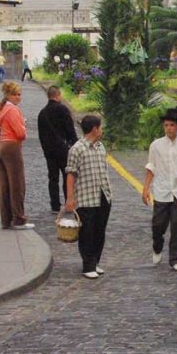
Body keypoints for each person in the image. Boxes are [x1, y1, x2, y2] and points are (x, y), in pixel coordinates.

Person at [143, 109, 177, 272]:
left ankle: (175, 259)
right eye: (166, 125)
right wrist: (145, 188)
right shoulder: (156, 146)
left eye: (172, 125)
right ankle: (157, 246)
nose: (169, 128)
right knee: (158, 225)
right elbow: (151, 167)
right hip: (161, 190)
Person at [65, 115, 113, 279]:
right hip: (85, 197)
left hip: (103, 195)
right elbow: (70, 174)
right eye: (100, 127)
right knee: (87, 233)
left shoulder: (100, 147)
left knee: (100, 231)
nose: (101, 130)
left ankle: (95, 262)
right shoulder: (77, 149)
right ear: (94, 129)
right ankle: (88, 265)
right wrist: (70, 198)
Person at [0, 81, 34, 230]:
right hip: (12, 147)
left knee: (4, 185)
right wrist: (24, 125)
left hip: (0, 146)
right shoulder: (13, 110)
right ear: (9, 95)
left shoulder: (3, 108)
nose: (19, 97)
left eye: (19, 94)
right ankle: (18, 219)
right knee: (17, 184)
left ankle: (6, 219)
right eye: (16, 94)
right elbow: (20, 133)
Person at [38, 85, 78, 213]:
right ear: (58, 95)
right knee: (68, 176)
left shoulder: (42, 113)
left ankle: (55, 205)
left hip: (49, 151)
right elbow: (70, 130)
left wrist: (45, 150)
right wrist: (75, 144)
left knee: (53, 178)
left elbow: (41, 135)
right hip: (64, 150)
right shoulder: (63, 109)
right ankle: (68, 202)